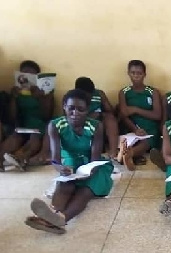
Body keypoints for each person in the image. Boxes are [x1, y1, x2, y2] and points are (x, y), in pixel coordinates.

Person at [24, 89, 113, 234]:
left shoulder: (96, 126)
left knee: (85, 191)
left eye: (81, 109)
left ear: (87, 110)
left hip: (93, 166)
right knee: (65, 185)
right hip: (71, 162)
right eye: (71, 108)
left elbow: (95, 159)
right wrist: (61, 168)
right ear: (64, 107)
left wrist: (87, 174)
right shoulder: (55, 125)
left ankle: (61, 219)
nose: (75, 113)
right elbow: (55, 159)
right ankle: (51, 215)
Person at [0, 60, 54, 171]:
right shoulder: (17, 93)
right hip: (22, 126)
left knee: (34, 138)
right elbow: (12, 117)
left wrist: (40, 98)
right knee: (14, 138)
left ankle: (21, 157)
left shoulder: (46, 93)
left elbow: (46, 115)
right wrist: (14, 98)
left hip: (39, 126)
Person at [118, 60, 162, 170]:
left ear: (144, 74)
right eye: (133, 73)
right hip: (131, 127)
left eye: (139, 73)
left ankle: (127, 155)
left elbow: (157, 115)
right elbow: (124, 114)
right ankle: (127, 155)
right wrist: (134, 129)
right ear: (128, 73)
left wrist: (135, 109)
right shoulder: (124, 92)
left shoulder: (153, 92)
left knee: (146, 142)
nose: (136, 76)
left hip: (149, 128)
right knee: (130, 139)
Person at [74, 77, 120, 160]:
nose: (89, 96)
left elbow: (110, 111)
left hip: (99, 121)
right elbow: (68, 118)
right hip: (82, 123)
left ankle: (114, 152)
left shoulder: (99, 94)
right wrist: (89, 116)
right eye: (86, 94)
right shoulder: (72, 98)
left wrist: (101, 114)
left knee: (110, 119)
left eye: (91, 93)